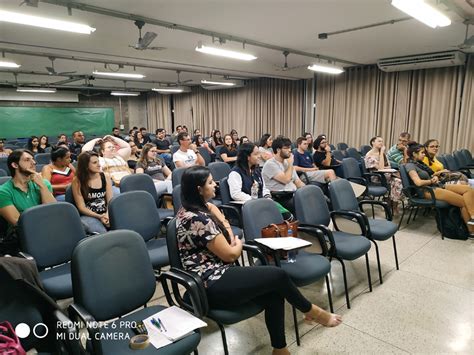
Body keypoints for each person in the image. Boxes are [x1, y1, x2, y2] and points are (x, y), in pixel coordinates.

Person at [176, 166, 342, 355]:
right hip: (207, 283)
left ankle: (280, 350)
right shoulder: (196, 219)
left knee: (274, 292)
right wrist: (236, 244)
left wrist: (230, 237)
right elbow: (230, 254)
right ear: (199, 189)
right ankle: (311, 311)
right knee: (277, 276)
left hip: (219, 272)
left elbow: (226, 226)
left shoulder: (200, 207)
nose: (216, 185)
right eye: (210, 182)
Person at [404, 142, 474, 233]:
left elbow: (429, 175)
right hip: (428, 191)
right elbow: (418, 182)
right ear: (414, 154)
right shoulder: (410, 165)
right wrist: (431, 181)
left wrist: (435, 177)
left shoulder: (419, 164)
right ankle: (471, 231)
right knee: (463, 202)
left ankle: (472, 216)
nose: (424, 155)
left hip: (436, 185)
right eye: (422, 153)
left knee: (468, 190)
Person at [0, 149, 55, 229]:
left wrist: (42, 186)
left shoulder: (43, 183)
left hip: (48, 226)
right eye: (27, 160)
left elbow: (53, 210)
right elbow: (18, 222)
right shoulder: (3, 192)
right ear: (15, 165)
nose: (34, 162)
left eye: (33, 159)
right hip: (23, 234)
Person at [72, 151, 113, 234]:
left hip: (105, 213)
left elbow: (110, 201)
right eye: (94, 163)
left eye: (98, 162)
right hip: (88, 215)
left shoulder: (105, 176)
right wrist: (99, 216)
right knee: (103, 234)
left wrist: (107, 214)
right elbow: (81, 207)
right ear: (86, 166)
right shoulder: (77, 181)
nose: (99, 165)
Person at [262, 136, 305, 213]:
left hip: (292, 195)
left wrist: (308, 191)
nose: (290, 150)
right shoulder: (270, 164)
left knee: (315, 197)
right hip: (280, 198)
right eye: (286, 148)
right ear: (278, 150)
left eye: (290, 148)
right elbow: (286, 180)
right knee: (305, 204)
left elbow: (298, 182)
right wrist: (291, 163)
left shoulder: (286, 162)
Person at [364, 136, 403, 207]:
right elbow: (381, 169)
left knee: (398, 181)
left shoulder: (383, 154)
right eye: (379, 141)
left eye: (382, 141)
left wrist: (382, 166)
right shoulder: (369, 155)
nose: (381, 143)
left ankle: (393, 202)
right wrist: (381, 152)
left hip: (386, 176)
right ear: (373, 142)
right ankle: (393, 204)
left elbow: (388, 166)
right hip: (378, 178)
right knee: (397, 182)